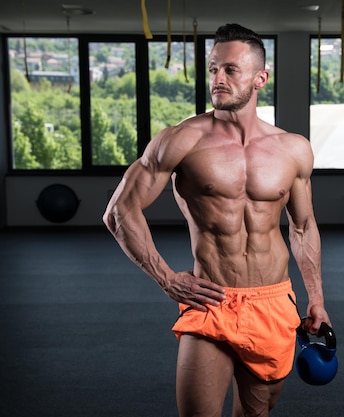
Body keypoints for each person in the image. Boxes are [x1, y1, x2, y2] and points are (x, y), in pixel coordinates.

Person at [103, 23, 331, 417]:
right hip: (211, 301)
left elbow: (303, 226)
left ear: (261, 78)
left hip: (274, 302)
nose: (218, 79)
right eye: (212, 69)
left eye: (230, 69)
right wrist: (167, 278)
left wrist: (318, 300)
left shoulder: (293, 150)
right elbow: (120, 210)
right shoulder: (181, 139)